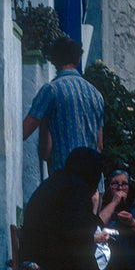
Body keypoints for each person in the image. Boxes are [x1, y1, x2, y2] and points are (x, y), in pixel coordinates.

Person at [22, 36, 104, 174]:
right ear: (78, 60)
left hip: (66, 180)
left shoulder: (51, 90)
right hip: (93, 183)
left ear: (54, 61)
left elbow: (27, 133)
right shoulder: (96, 94)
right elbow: (99, 145)